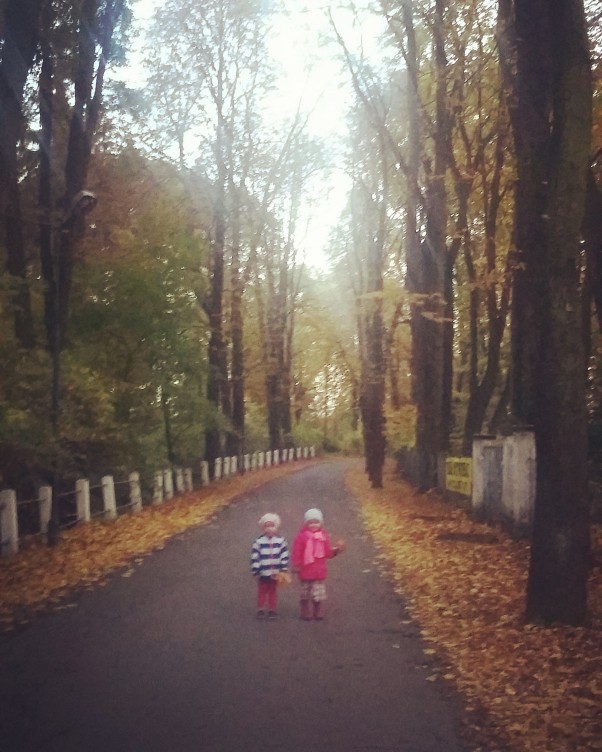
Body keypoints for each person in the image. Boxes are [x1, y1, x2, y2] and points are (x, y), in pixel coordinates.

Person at [291, 507, 344, 621]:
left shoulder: (323, 537)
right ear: (306, 523)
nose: (314, 525)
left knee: (318, 593)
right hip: (305, 570)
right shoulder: (301, 537)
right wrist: (296, 564)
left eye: (316, 522)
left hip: (318, 571)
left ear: (321, 523)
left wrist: (336, 550)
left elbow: (327, 553)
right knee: (305, 592)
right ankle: (305, 608)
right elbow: (297, 552)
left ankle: (317, 609)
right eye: (310, 522)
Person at [250, 512, 290, 620]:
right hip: (263, 572)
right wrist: (256, 569)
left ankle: (272, 609)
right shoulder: (258, 542)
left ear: (276, 527)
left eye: (272, 526)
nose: (269, 529)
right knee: (262, 591)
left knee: (272, 591)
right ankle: (261, 608)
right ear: (263, 528)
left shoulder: (281, 542)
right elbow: (255, 556)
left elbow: (284, 555)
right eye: (267, 526)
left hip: (275, 572)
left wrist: (283, 568)